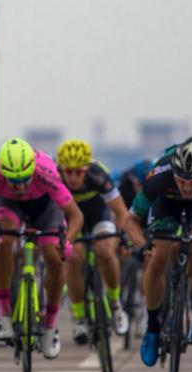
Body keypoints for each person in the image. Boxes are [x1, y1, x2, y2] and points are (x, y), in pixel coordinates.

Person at [0, 138, 84, 359]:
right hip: (8, 205)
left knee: (54, 256)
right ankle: (4, 313)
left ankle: (50, 324)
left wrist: (67, 241)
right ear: (3, 173)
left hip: (45, 206)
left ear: (32, 170)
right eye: (13, 181)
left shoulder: (45, 171)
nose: (19, 187)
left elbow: (76, 215)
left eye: (24, 180)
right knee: (2, 241)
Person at [125, 137, 192, 367]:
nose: (188, 187)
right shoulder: (159, 176)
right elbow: (130, 220)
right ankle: (152, 328)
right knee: (158, 256)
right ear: (174, 173)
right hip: (166, 203)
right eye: (182, 181)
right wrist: (143, 247)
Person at [56, 139, 130, 344]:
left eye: (78, 172)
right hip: (72, 219)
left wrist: (123, 238)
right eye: (68, 171)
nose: (72, 177)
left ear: (87, 169)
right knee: (73, 256)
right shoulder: (54, 177)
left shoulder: (99, 176)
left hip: (99, 213)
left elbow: (121, 211)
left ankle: (115, 304)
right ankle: (79, 317)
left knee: (105, 251)